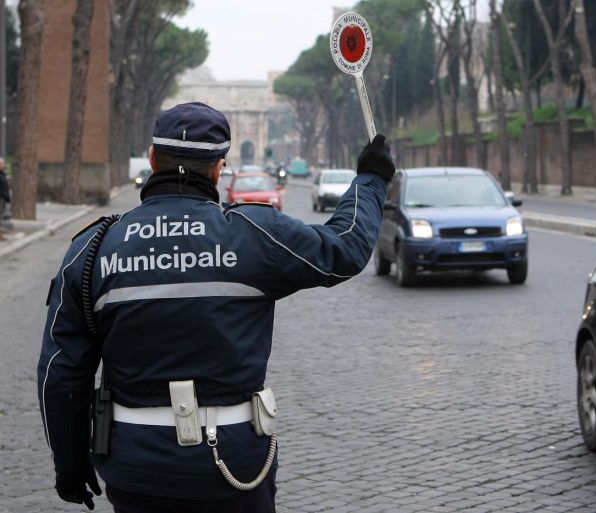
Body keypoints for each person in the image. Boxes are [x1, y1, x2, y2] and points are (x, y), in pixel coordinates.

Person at [37, 101, 395, 512]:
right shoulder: (256, 234)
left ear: (153, 159)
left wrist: (69, 465)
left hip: (135, 465)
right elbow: (346, 247)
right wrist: (371, 179)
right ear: (219, 168)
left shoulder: (93, 247)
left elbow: (61, 372)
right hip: (234, 462)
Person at [0, 158, 10, 239]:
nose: (3, 165)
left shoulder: (2, 173)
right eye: (2, 164)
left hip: (3, 198)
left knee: (1, 217)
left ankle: (1, 234)